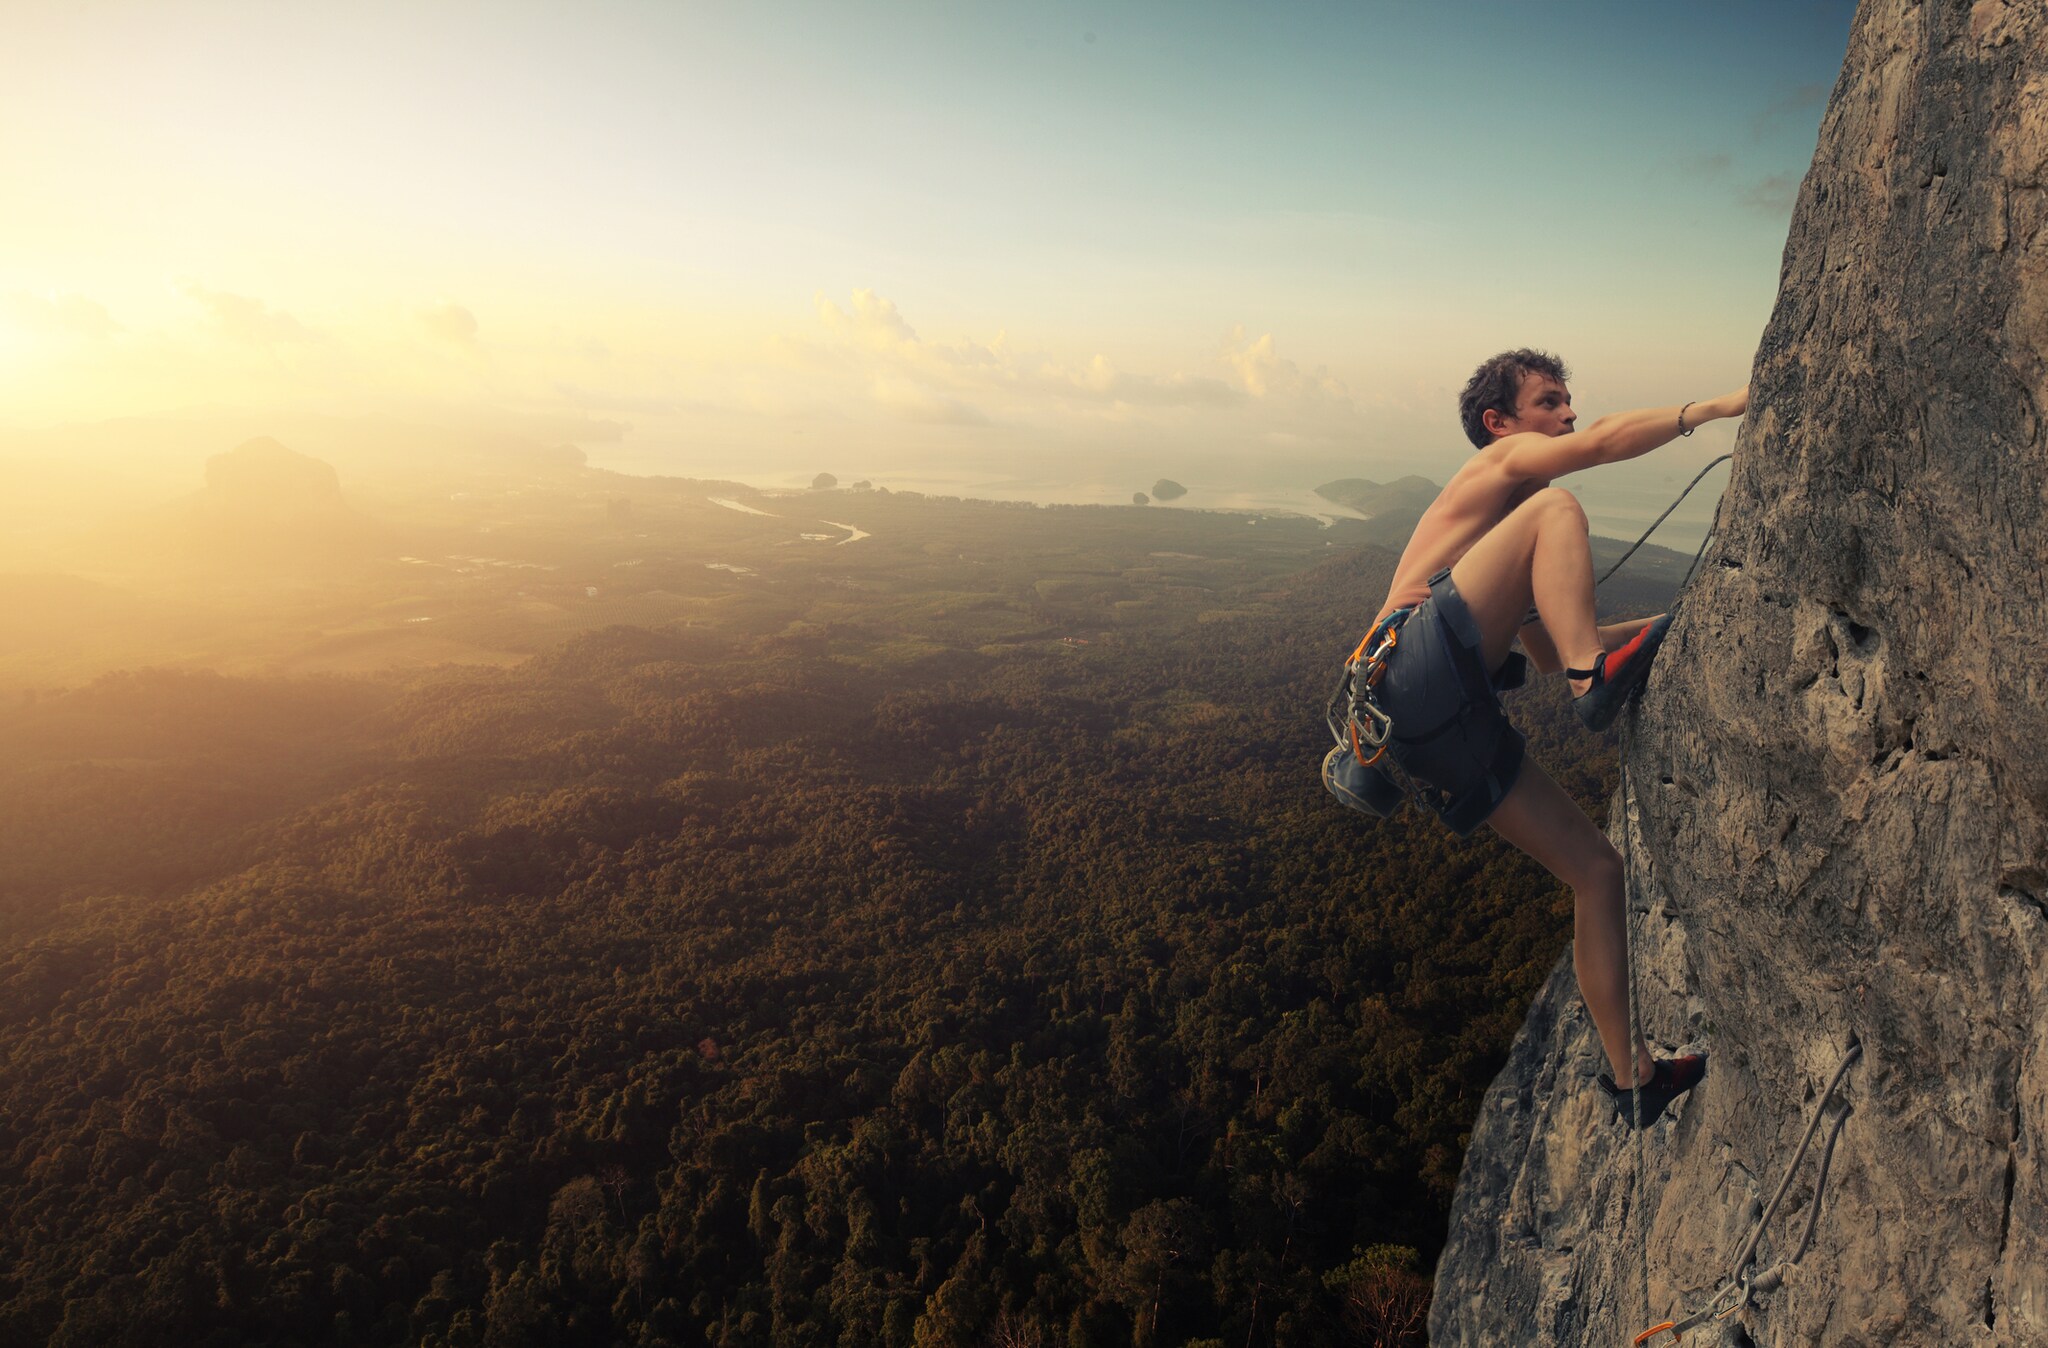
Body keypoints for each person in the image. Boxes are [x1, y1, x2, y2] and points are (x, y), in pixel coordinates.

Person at [1330, 349, 1747, 1126]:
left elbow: (1554, 654)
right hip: (1414, 674)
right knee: (1559, 510)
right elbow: (1600, 449)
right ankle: (1605, 677)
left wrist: (1670, 630)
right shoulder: (1504, 469)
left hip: (1429, 728)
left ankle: (1633, 1078)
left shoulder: (1498, 551)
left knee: (1596, 870)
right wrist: (1715, 408)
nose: (1568, 417)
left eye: (1566, 404)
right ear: (1501, 423)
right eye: (1550, 402)